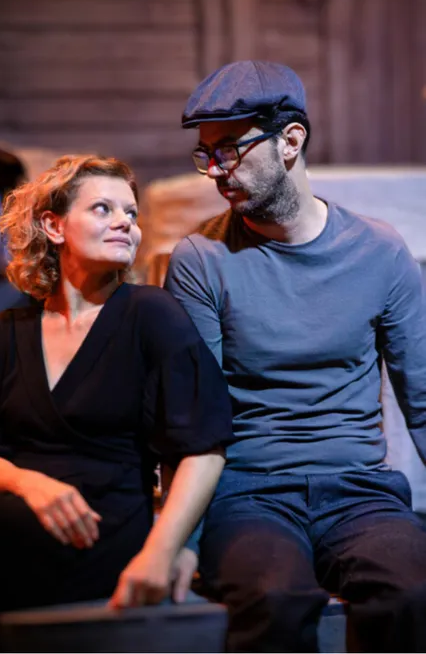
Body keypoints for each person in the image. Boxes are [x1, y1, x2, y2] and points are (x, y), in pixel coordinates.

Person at [0, 154, 233, 652]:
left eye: (131, 213)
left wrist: (162, 551)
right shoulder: (4, 334)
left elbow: (203, 448)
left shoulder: (151, 315)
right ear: (53, 226)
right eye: (103, 208)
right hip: (16, 518)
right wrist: (32, 484)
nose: (125, 222)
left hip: (102, 529)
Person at [164, 60, 426, 652]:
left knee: (412, 592)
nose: (217, 171)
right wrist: (181, 540)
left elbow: (423, 397)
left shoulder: (380, 253)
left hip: (359, 491)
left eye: (230, 150)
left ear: (290, 141)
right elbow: (190, 420)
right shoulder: (201, 259)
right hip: (248, 494)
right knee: (275, 598)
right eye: (206, 154)